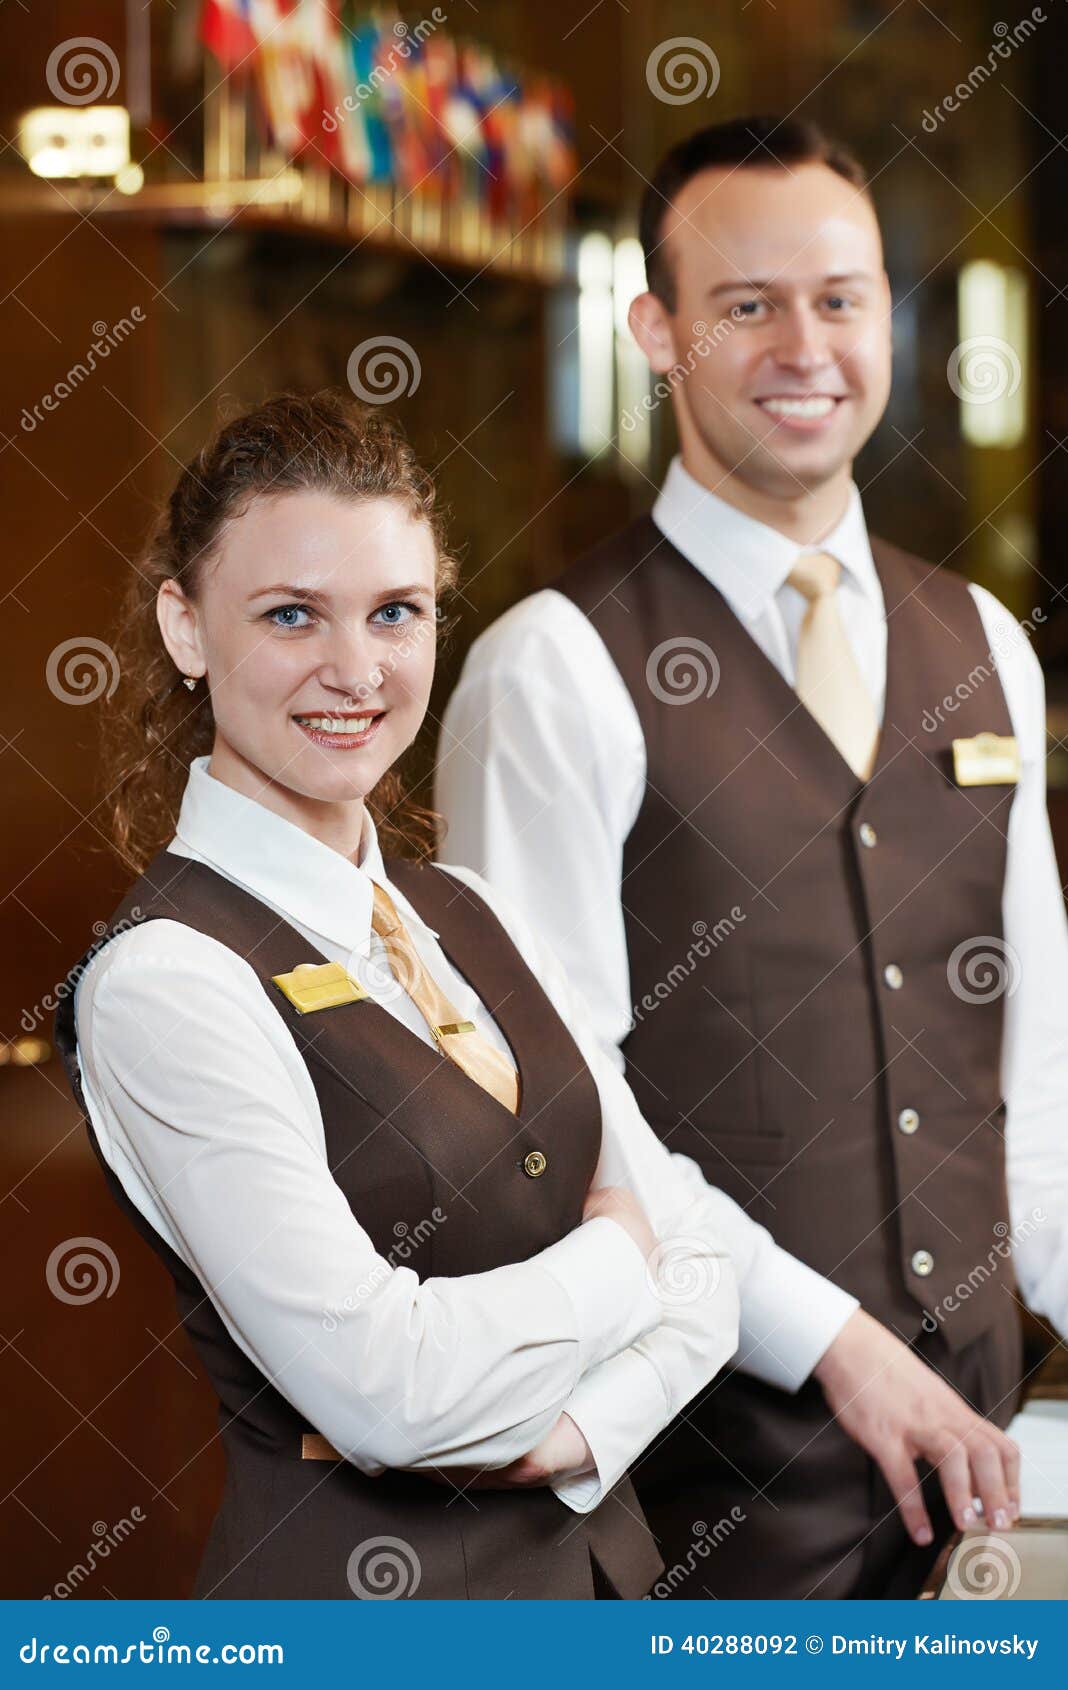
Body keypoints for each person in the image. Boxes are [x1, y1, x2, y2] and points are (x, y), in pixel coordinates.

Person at [434, 116, 1063, 1599]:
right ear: (658, 332)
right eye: (746, 304)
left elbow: (1033, 1079)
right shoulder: (553, 668)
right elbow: (556, 1121)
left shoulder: (984, 645)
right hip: (706, 1489)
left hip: (978, 1460)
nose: (804, 344)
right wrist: (834, 1344)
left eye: (840, 299)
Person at [54, 390, 749, 1601]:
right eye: (290, 615)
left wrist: (576, 1438)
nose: (355, 670)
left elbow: (709, 1265)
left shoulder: (474, 907)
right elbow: (390, 1388)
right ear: (183, 625)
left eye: (396, 613)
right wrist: (616, 1256)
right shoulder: (166, 980)